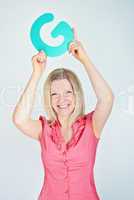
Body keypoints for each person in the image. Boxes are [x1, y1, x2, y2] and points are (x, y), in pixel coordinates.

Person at [12, 28, 114, 200]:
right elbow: (19, 119)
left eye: (68, 92)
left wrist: (84, 59)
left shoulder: (92, 125)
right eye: (54, 94)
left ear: (76, 94)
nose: (62, 99)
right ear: (49, 98)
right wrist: (37, 73)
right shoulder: (44, 130)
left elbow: (107, 99)